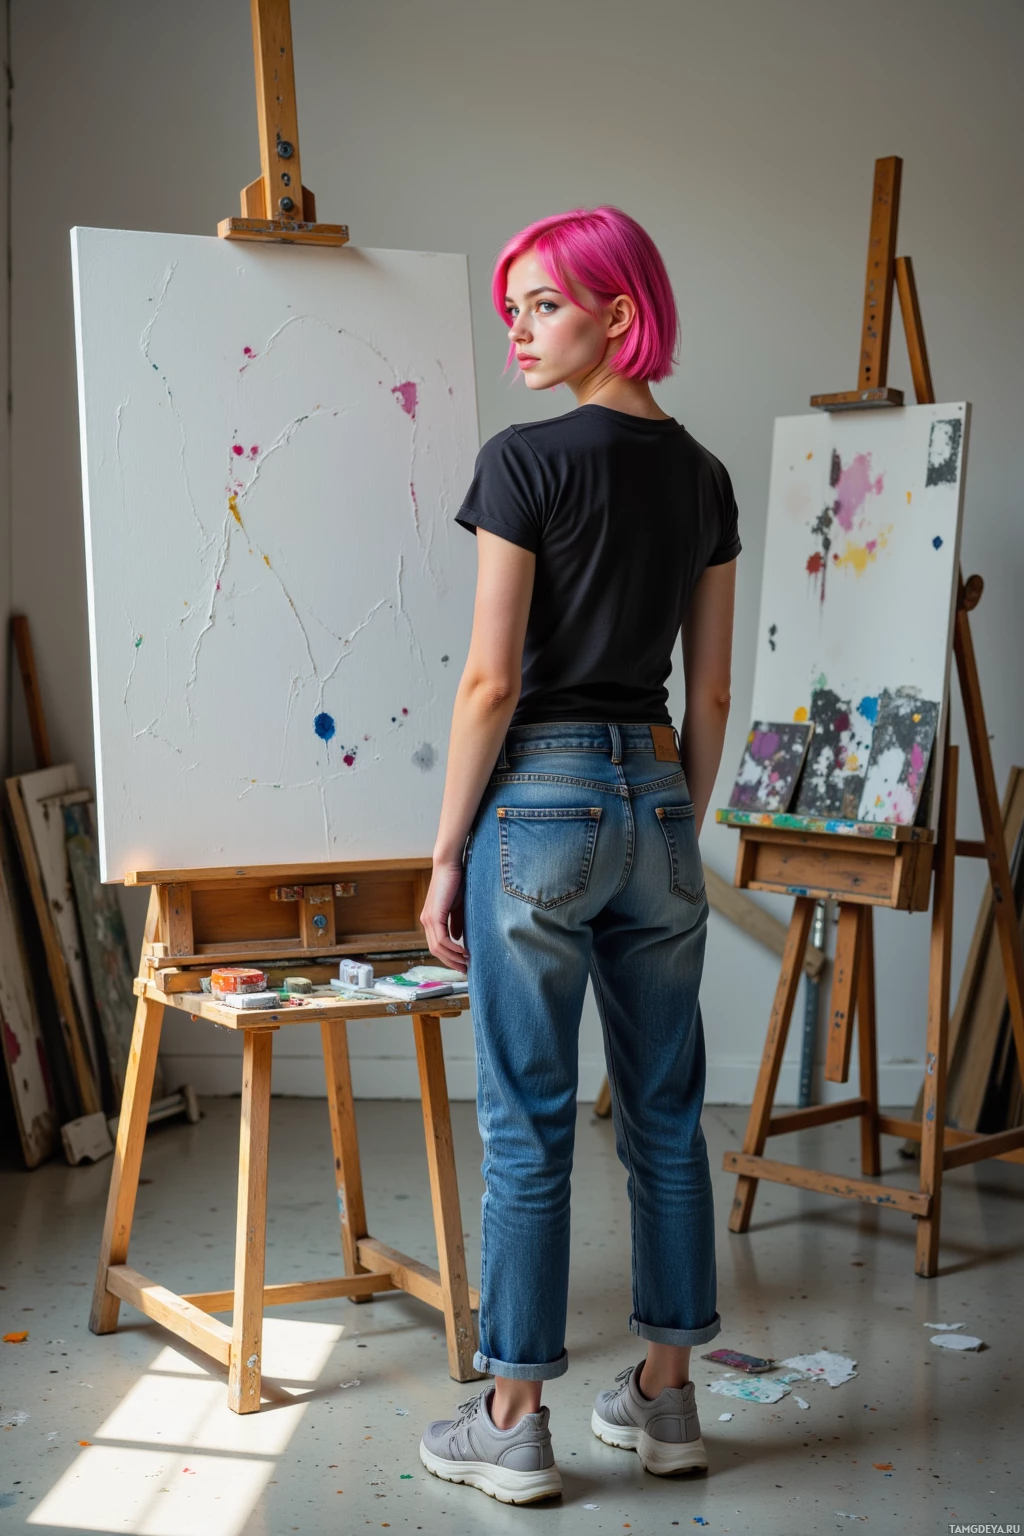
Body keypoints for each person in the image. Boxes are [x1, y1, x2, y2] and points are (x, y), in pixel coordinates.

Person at [417, 204, 740, 1505]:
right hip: (657, 795)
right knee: (665, 1114)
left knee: (528, 1118)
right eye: (514, 312)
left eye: (543, 304)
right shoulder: (706, 476)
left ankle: (514, 1419)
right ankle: (667, 1405)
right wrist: (678, 813)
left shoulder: (522, 464)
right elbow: (709, 695)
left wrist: (447, 853)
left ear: (619, 309)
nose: (521, 334)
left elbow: (492, 680)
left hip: (538, 804)